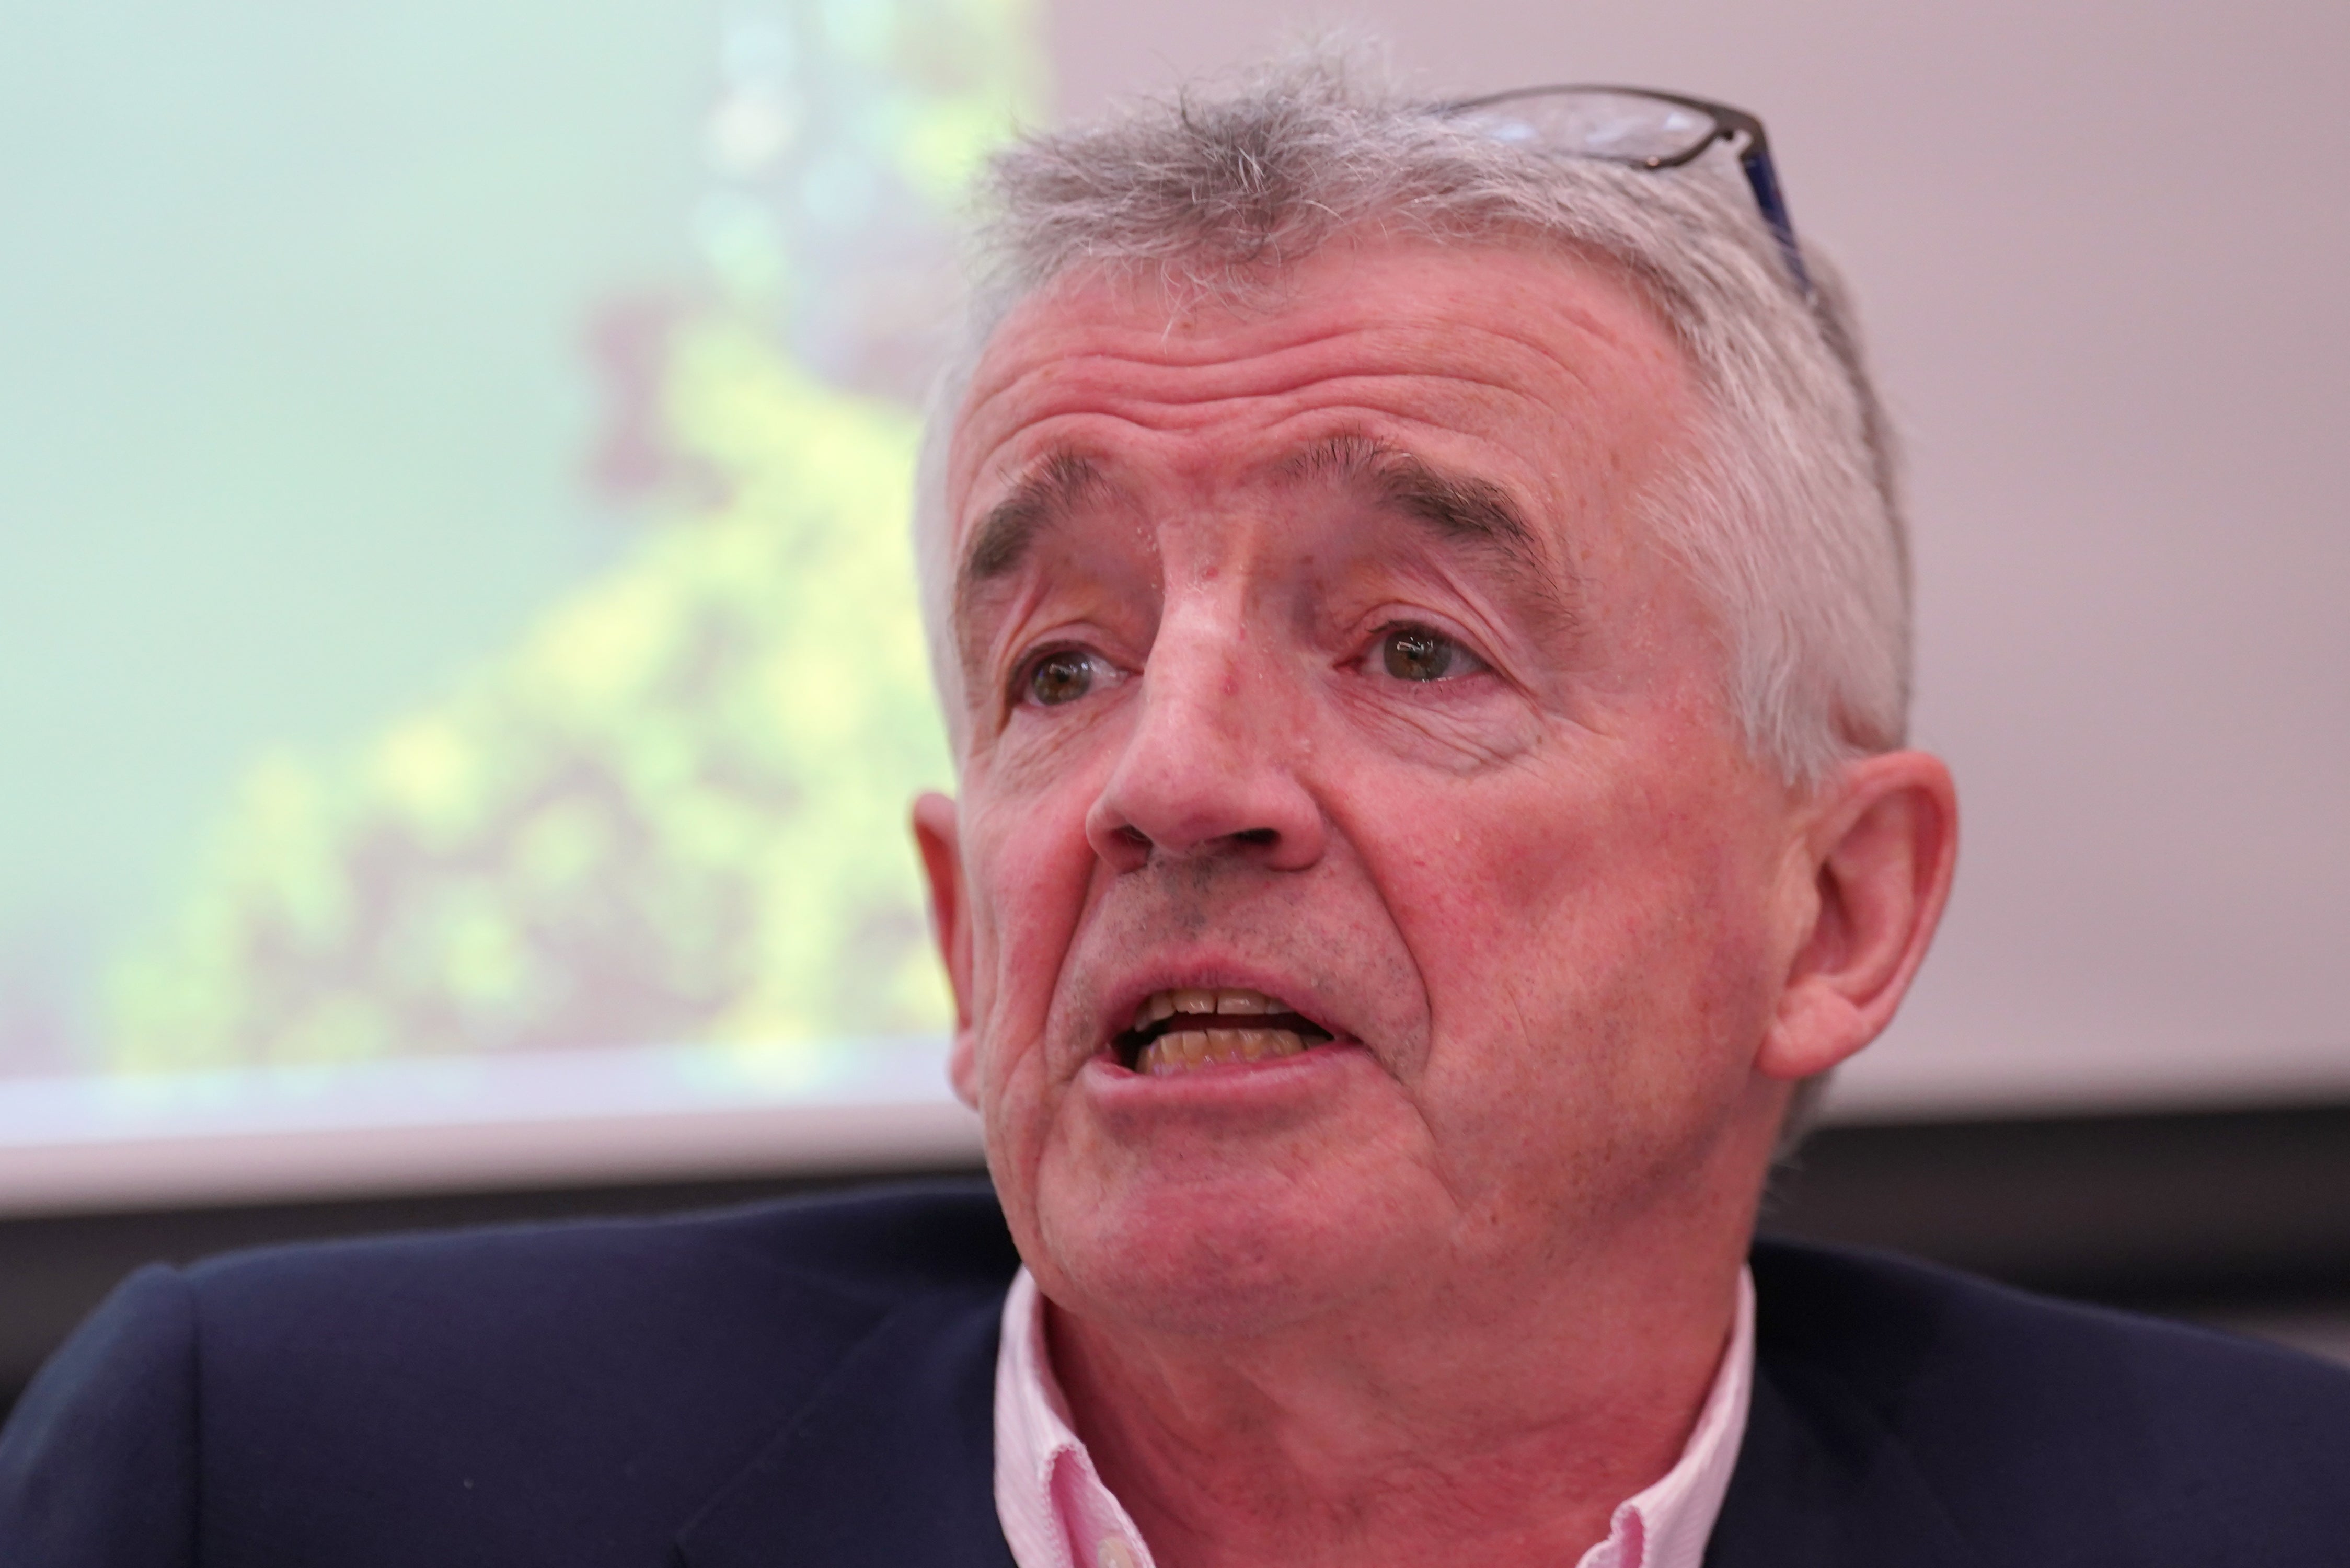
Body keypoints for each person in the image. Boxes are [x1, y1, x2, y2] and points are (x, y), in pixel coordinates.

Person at [5, 54, 2347, 1568]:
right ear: (957, 930)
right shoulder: (291, 1486)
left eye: (1410, 647)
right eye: (1062, 668)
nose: (1169, 783)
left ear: (1835, 908)